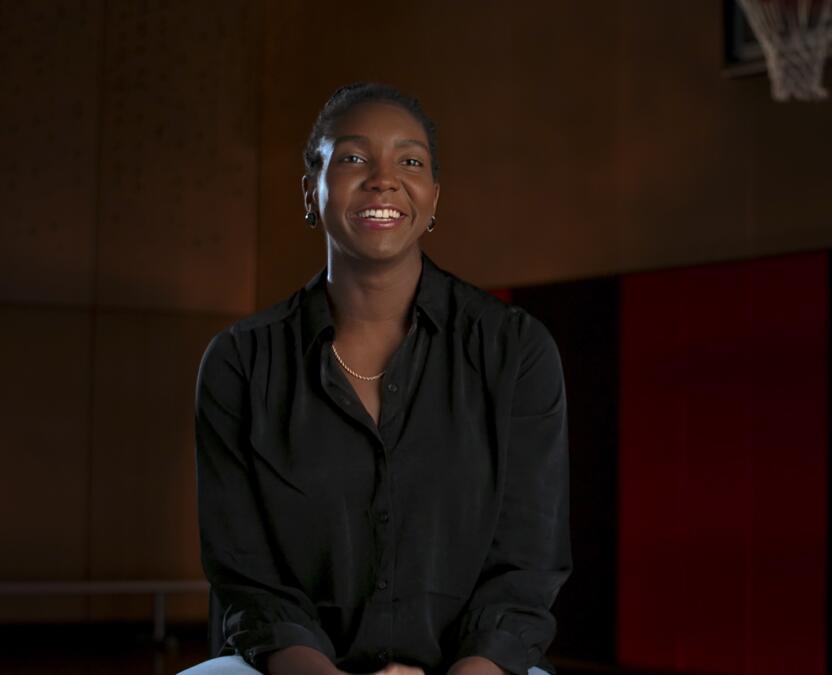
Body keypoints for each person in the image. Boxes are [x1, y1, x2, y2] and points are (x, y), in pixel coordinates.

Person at [180, 83, 570, 675]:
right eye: (354, 158)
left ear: (433, 197)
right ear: (312, 191)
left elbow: (527, 568)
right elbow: (246, 576)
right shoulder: (241, 362)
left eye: (409, 161)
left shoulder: (515, 351)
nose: (383, 178)